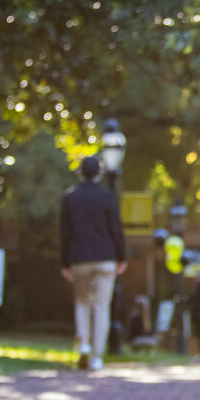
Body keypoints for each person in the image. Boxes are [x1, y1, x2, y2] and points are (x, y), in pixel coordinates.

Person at [60, 155, 127, 371]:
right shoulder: (107, 197)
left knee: (81, 304)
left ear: (80, 172)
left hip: (79, 258)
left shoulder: (71, 198)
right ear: (99, 173)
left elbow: (64, 233)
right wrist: (121, 257)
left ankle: (84, 346)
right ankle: (97, 356)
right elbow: (116, 229)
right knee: (101, 307)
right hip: (106, 257)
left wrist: (65, 263)